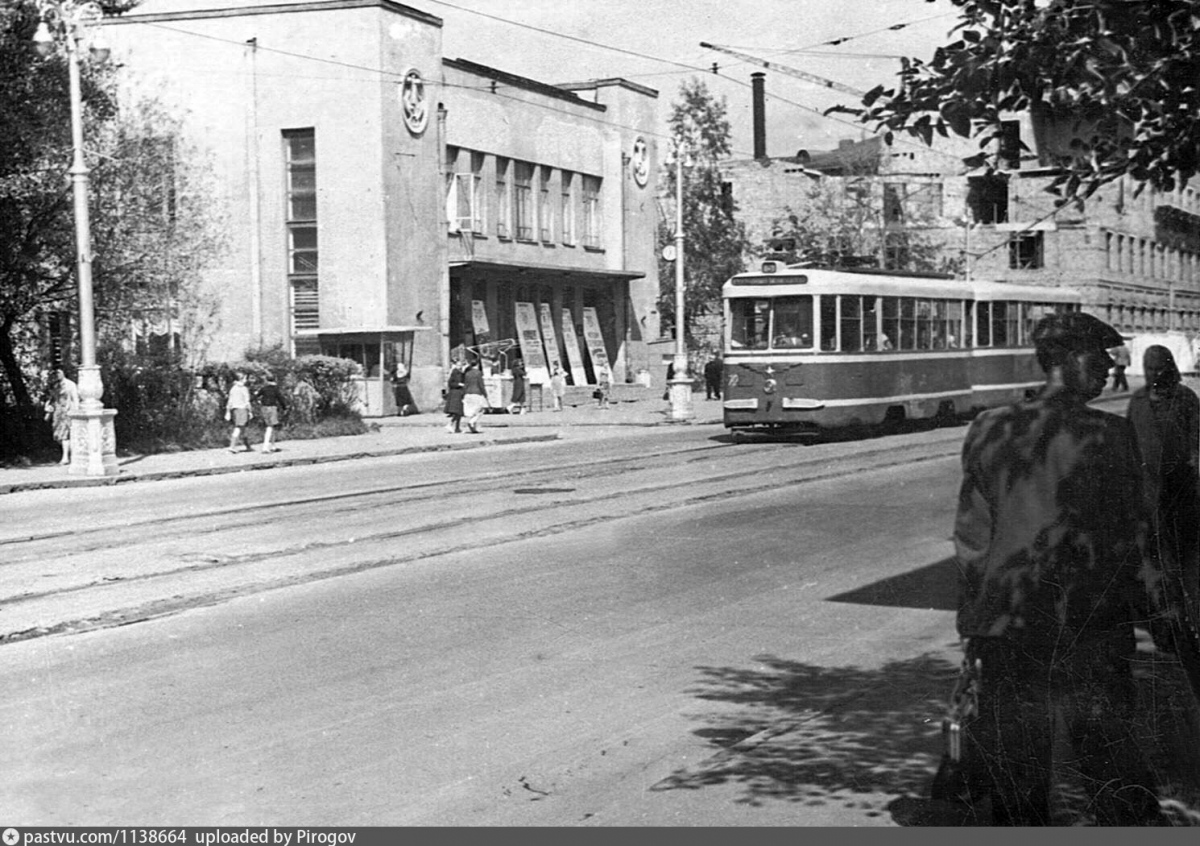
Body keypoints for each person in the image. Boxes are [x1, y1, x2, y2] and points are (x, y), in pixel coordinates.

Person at [951, 311, 1174, 826]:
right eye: (1099, 361)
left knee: (1018, 772)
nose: (1105, 373)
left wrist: (976, 627)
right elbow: (1131, 536)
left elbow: (970, 541)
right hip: (1089, 629)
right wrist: (1153, 611)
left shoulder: (989, 428)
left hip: (1010, 629)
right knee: (1112, 765)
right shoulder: (1109, 435)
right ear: (1072, 360)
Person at [1127, 345, 1200, 612]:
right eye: (1149, 369)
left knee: (1185, 551)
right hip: (1148, 490)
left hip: (1182, 487)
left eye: (1159, 368)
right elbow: (1130, 442)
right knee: (1155, 552)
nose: (1154, 374)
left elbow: (1196, 438)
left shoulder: (1185, 398)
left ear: (1170, 368)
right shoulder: (1137, 401)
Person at [44, 368, 79, 465]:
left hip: (67, 411)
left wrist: (75, 411)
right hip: (57, 413)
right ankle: (70, 455)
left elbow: (75, 398)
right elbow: (51, 399)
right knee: (59, 435)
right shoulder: (55, 385)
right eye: (55, 374)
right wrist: (48, 407)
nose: (57, 375)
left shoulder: (70, 384)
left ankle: (66, 457)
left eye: (59, 373)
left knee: (65, 435)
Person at [255, 373, 287, 453]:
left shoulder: (263, 388)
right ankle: (265, 447)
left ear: (266, 380)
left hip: (264, 408)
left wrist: (258, 401)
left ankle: (273, 446)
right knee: (270, 427)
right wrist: (284, 407)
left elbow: (256, 396)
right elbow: (280, 398)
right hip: (272, 408)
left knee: (272, 427)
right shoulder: (276, 389)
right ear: (275, 379)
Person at [225, 371, 253, 453]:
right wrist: (250, 411)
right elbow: (247, 401)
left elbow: (230, 401)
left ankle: (247, 445)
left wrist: (228, 411)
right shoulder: (244, 389)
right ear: (241, 379)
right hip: (242, 409)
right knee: (239, 428)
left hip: (235, 409)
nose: (245, 380)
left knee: (242, 428)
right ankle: (232, 446)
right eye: (244, 378)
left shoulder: (233, 389)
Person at [462, 358, 488, 433]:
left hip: (468, 393)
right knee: (481, 410)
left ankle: (473, 428)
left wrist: (463, 394)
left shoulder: (467, 373)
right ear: (477, 364)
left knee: (472, 411)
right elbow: (481, 384)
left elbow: (465, 384)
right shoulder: (478, 373)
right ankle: (472, 422)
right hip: (477, 393)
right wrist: (485, 394)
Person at [444, 361, 466, 434]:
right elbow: (450, 383)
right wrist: (459, 384)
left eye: (461, 365)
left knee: (459, 412)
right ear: (456, 365)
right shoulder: (455, 372)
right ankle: (450, 424)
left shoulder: (461, 373)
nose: (460, 366)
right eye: (458, 365)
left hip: (459, 393)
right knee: (457, 411)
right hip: (455, 394)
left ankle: (457, 428)